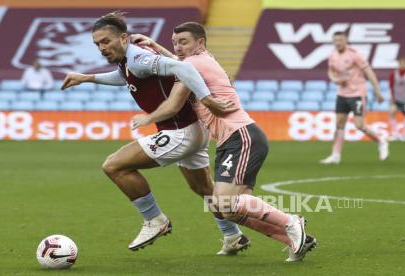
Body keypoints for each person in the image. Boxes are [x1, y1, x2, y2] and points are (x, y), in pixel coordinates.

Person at [60, 12, 249, 254]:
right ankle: (233, 236)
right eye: (97, 44)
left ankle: (155, 220)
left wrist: (208, 100)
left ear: (123, 38)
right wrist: (87, 77)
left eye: (106, 41)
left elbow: (183, 68)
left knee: (114, 166)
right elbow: (125, 76)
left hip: (179, 131)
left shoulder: (138, 57)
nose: (102, 48)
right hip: (193, 129)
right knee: (204, 189)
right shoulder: (130, 59)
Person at [130, 22, 315, 262]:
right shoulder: (202, 60)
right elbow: (179, 63)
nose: (178, 47)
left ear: (200, 43)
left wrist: (148, 118)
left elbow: (175, 102)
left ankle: (292, 222)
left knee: (224, 202)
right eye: (175, 42)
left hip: (241, 136)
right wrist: (156, 46)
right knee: (228, 210)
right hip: (232, 140)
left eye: (183, 42)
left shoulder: (193, 63)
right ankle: (294, 240)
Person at [320, 31, 388, 164]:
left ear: (346, 40)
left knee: (359, 125)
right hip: (342, 94)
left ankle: (381, 141)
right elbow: (331, 71)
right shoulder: (332, 56)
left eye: (340, 40)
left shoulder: (355, 54)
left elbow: (369, 72)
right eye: (335, 40)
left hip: (357, 94)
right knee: (339, 124)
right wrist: (335, 79)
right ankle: (335, 155)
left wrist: (377, 92)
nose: (338, 42)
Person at [388, 55, 405, 141]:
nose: (402, 64)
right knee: (392, 112)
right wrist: (392, 98)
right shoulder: (393, 74)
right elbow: (391, 86)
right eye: (400, 62)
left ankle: (403, 134)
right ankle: (395, 133)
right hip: (396, 99)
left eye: (403, 62)